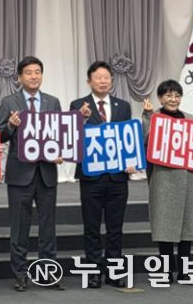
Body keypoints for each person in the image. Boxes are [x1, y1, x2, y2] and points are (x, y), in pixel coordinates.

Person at [0, 56, 64, 292]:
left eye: (37, 72)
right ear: (19, 77)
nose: (34, 76)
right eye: (28, 72)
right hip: (20, 173)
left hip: (46, 172)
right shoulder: (9, 102)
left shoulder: (52, 102)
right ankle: (20, 273)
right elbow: (0, 135)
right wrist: (11, 126)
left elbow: (59, 134)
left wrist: (61, 152)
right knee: (19, 227)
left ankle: (48, 273)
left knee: (48, 227)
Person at [70, 61, 133, 288]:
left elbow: (128, 138)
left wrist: (131, 161)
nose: (103, 81)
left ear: (111, 81)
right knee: (92, 227)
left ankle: (114, 272)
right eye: (98, 78)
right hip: (91, 177)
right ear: (89, 81)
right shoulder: (78, 105)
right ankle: (94, 272)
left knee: (116, 228)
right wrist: (82, 118)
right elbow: (71, 137)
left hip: (117, 177)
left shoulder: (123, 106)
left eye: (107, 78)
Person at [142, 79, 193, 283]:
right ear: (160, 98)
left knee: (187, 226)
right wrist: (147, 116)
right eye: (168, 95)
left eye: (177, 95)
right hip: (163, 179)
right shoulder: (155, 117)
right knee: (164, 226)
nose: (173, 99)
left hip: (188, 178)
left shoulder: (190, 118)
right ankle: (166, 270)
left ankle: (185, 271)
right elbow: (145, 141)